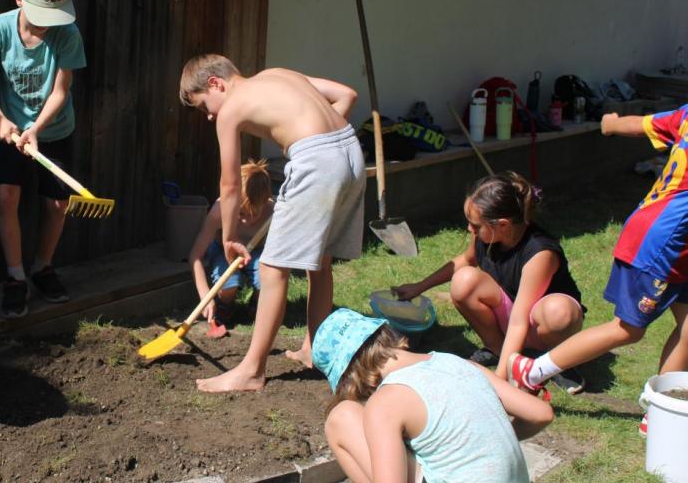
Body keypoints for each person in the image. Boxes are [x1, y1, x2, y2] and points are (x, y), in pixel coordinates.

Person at [179, 54, 365, 392]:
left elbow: (230, 185)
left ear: (215, 84)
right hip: (350, 150)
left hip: (317, 160)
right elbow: (346, 95)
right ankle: (315, 350)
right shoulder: (278, 73)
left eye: (204, 105)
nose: (208, 115)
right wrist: (327, 145)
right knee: (320, 262)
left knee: (271, 267)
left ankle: (251, 371)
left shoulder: (231, 110)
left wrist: (230, 236)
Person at [509, 106, 688, 435]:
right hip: (660, 244)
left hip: (675, 244)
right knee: (627, 330)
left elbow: (642, 124)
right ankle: (532, 371)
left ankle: (659, 411)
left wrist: (611, 123)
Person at [393, 171, 586, 394]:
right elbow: (466, 260)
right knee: (463, 280)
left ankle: (555, 360)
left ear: (502, 225)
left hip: (540, 321)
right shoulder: (487, 234)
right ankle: (498, 349)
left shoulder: (540, 253)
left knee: (558, 312)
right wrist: (419, 287)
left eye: (475, 225)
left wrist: (500, 381)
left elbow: (519, 319)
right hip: (513, 314)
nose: (470, 229)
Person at [316, 308, 553, 483]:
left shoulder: (385, 403)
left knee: (340, 417)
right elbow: (540, 413)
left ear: (348, 377)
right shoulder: (459, 363)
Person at [0, 0, 87, 317]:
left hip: (55, 130)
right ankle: (16, 277)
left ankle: (42, 268)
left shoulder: (68, 34)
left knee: (58, 204)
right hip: (10, 131)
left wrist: (36, 129)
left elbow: (61, 91)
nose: (48, 24)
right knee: (6, 197)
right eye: (41, 15)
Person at [187, 159, 275, 339]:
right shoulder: (219, 211)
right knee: (228, 284)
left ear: (265, 201)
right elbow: (195, 256)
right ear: (231, 202)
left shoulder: (273, 211)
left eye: (254, 213)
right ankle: (225, 306)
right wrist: (205, 297)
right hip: (223, 251)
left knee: (267, 278)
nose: (246, 220)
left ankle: (257, 304)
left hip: (256, 252)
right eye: (240, 213)